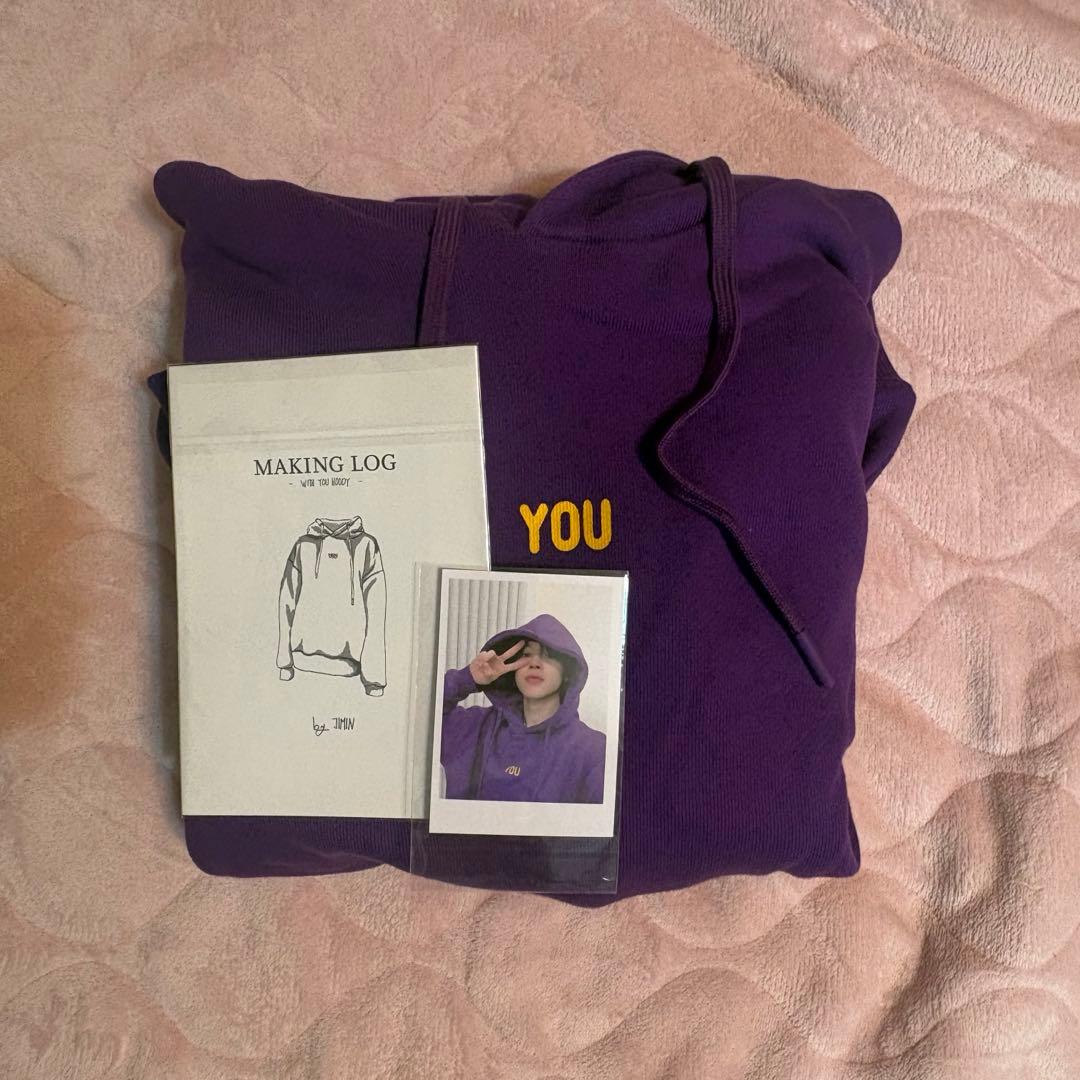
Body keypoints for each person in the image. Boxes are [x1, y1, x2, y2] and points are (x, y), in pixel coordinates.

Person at [440, 613, 606, 803]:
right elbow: (419, 712)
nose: (534, 663)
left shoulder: (594, 751)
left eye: (549, 656)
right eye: (526, 655)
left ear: (567, 672)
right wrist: (467, 678)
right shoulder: (475, 727)